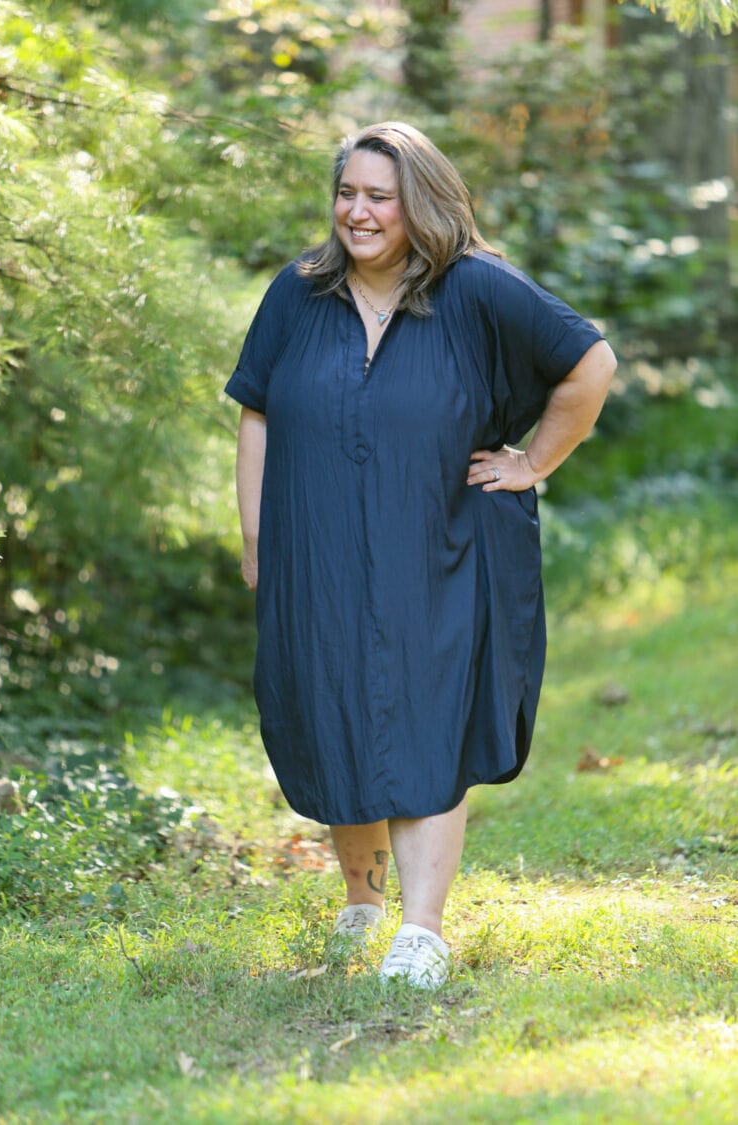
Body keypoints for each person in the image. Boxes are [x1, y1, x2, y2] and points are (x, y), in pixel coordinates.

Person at [226, 121, 616, 988]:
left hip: (442, 539)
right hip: (316, 549)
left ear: (420, 203)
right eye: (347, 192)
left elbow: (589, 361)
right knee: (332, 709)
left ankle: (421, 929)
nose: (357, 213)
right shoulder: (298, 293)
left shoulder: (475, 289)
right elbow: (256, 412)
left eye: (380, 196)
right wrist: (258, 537)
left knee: (429, 714)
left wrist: (534, 460)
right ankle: (362, 902)